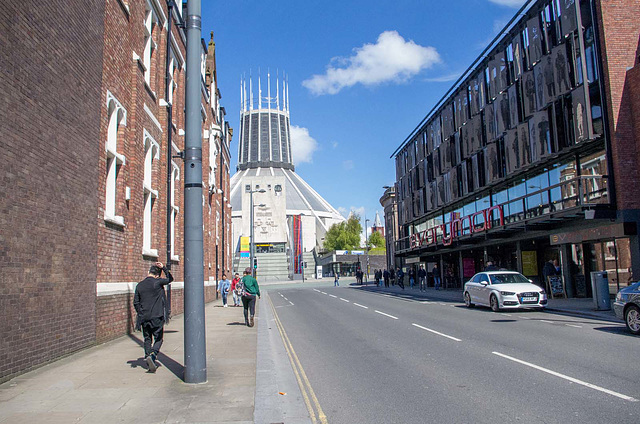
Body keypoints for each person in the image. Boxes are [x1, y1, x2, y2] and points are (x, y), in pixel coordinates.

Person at [134, 261, 173, 373]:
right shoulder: (157, 282)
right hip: (157, 315)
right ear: (157, 275)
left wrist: (141, 312)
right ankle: (153, 355)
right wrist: (164, 268)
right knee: (159, 338)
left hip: (144, 317)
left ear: (148, 272)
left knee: (147, 338)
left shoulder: (140, 285)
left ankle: (147, 356)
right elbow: (170, 279)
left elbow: (136, 302)